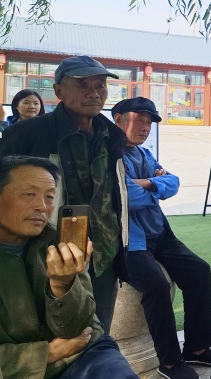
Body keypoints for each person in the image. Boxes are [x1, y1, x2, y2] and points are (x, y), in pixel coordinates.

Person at [0, 55, 127, 332]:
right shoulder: (27, 134)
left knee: (98, 338)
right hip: (44, 257)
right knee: (54, 339)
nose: (94, 93)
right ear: (59, 91)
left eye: (100, 85)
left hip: (102, 258)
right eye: (83, 85)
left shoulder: (113, 136)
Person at [0, 155, 138, 379]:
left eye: (49, 196)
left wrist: (62, 285)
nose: (42, 206)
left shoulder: (60, 244)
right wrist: (46, 354)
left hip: (82, 355)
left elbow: (80, 329)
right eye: (29, 194)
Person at [112, 98, 211, 379]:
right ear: (119, 119)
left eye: (149, 122)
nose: (145, 127)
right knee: (156, 285)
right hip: (131, 241)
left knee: (199, 271)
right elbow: (125, 198)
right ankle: (168, 362)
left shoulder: (144, 154)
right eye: (140, 119)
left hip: (160, 234)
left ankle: (196, 348)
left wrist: (147, 183)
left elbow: (174, 183)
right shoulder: (110, 156)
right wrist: (157, 185)